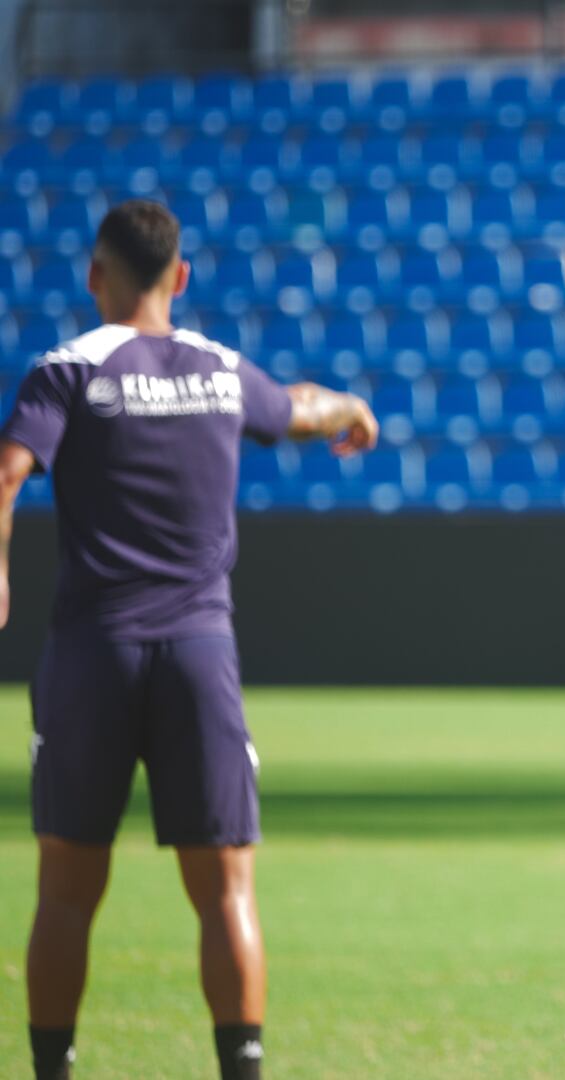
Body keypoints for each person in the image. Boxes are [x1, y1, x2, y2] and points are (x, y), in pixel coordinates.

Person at [0, 200, 379, 1080]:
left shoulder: (68, 369)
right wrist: (351, 408)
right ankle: (241, 1069)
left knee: (65, 891)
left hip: (93, 653)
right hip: (201, 656)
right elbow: (299, 408)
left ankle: (51, 1070)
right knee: (226, 893)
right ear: (180, 278)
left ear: (96, 276)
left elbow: (9, 470)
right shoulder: (219, 369)